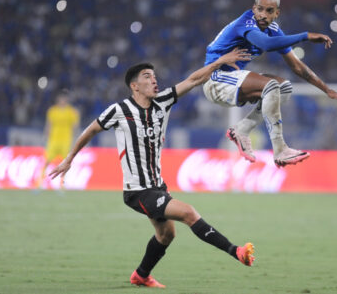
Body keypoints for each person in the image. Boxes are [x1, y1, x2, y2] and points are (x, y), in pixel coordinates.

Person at [49, 48, 254, 288]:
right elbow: (91, 129)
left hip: (158, 186)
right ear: (134, 86)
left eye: (154, 75)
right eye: (147, 76)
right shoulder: (120, 111)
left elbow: (194, 80)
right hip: (138, 191)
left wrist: (220, 62)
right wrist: (69, 159)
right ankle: (236, 251)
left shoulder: (163, 102)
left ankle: (141, 275)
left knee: (167, 235)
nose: (153, 79)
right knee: (188, 213)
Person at [203, 0, 337, 167]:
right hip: (215, 79)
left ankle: (242, 130)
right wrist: (305, 36)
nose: (263, 15)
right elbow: (266, 45)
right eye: (260, 9)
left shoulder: (274, 30)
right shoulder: (245, 22)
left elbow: (297, 66)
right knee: (270, 85)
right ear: (254, 9)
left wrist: (327, 90)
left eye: (269, 11)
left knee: (283, 87)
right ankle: (280, 149)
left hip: (232, 80)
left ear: (277, 13)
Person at [38, 89, 80, 189]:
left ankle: (62, 185)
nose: (62, 100)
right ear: (57, 99)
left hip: (66, 141)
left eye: (64, 98)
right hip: (53, 141)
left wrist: (76, 140)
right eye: (61, 98)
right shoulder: (52, 111)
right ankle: (39, 184)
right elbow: (48, 125)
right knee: (46, 161)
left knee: (65, 164)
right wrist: (46, 136)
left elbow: (75, 127)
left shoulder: (72, 112)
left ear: (67, 100)